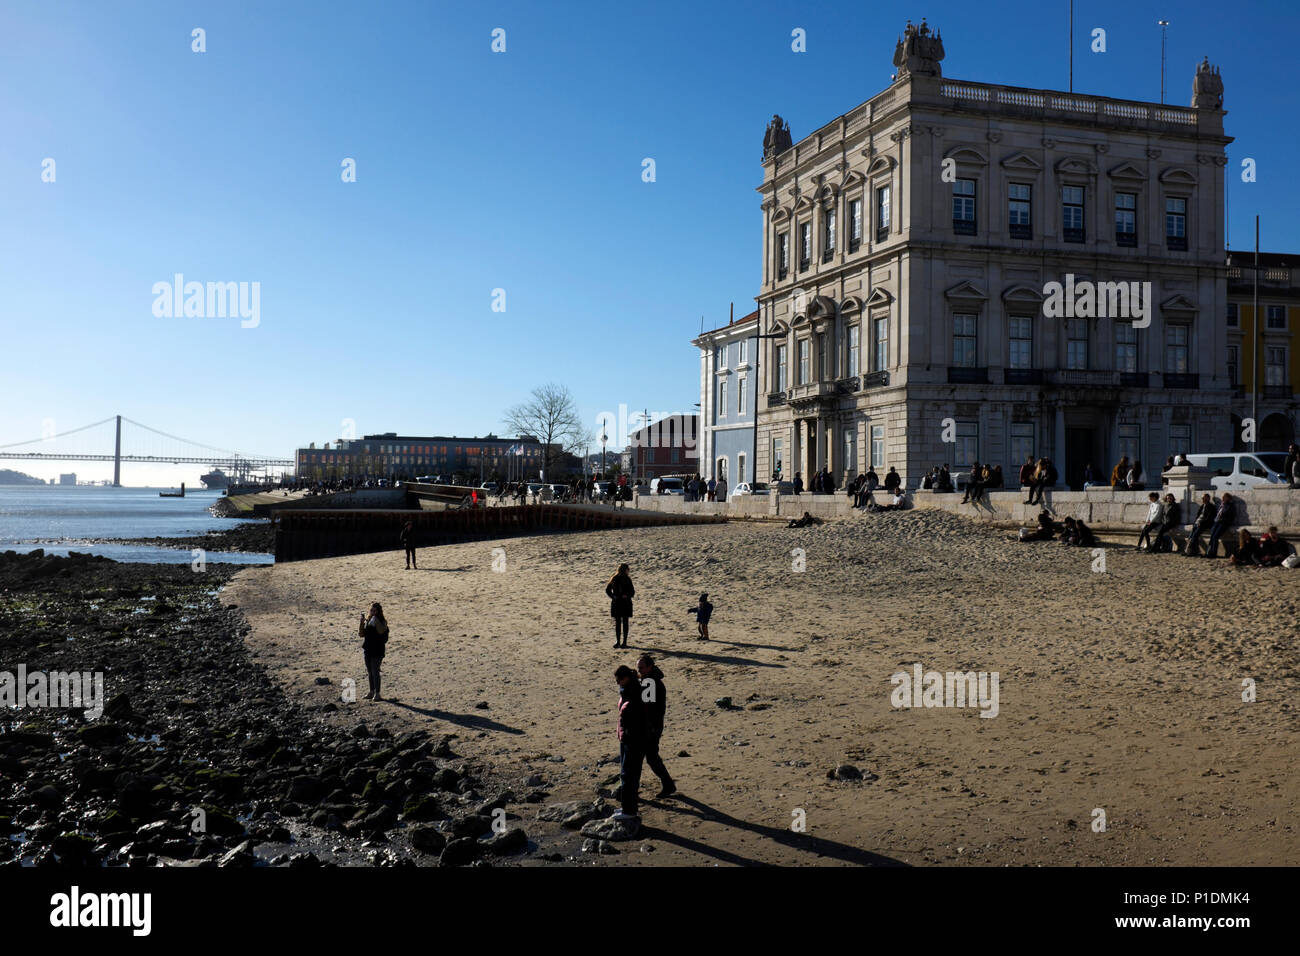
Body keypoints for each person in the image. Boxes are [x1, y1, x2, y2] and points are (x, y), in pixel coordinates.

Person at [612, 665, 648, 821]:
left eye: (619, 679)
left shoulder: (635, 693)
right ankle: (627, 807)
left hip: (634, 740)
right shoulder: (627, 690)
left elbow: (638, 718)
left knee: (629, 774)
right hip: (627, 738)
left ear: (626, 678)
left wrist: (628, 733)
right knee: (626, 773)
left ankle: (629, 810)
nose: (618, 683)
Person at [636, 655, 676, 798]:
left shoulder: (649, 682)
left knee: (650, 757)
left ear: (649, 667)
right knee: (651, 757)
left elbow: (646, 707)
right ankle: (668, 784)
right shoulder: (651, 680)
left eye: (641, 668)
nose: (638, 670)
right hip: (653, 725)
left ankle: (668, 784)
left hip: (651, 726)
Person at [358, 602, 389, 702]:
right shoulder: (368, 621)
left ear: (379, 612)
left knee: (375, 671)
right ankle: (371, 691)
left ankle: (377, 693)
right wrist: (362, 623)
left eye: (374, 611)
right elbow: (361, 634)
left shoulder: (382, 622)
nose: (372, 612)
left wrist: (376, 622)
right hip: (368, 649)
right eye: (371, 610)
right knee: (370, 671)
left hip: (378, 650)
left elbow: (381, 631)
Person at [606, 563, 635, 648]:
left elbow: (632, 592)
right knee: (620, 622)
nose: (628, 571)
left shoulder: (625, 579)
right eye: (627, 569)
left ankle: (623, 642)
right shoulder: (615, 579)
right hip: (618, 602)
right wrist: (613, 596)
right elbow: (608, 590)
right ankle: (620, 642)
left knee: (622, 622)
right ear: (625, 570)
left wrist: (626, 595)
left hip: (623, 602)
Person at [1205, 492, 1235, 559]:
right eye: (1223, 497)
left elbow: (1230, 517)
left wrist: (1223, 520)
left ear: (1228, 498)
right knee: (1212, 536)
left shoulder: (1230, 506)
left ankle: (1213, 553)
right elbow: (1218, 513)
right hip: (1216, 522)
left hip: (1223, 523)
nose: (1223, 498)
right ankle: (1209, 552)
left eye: (1224, 497)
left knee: (1215, 537)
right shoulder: (1222, 505)